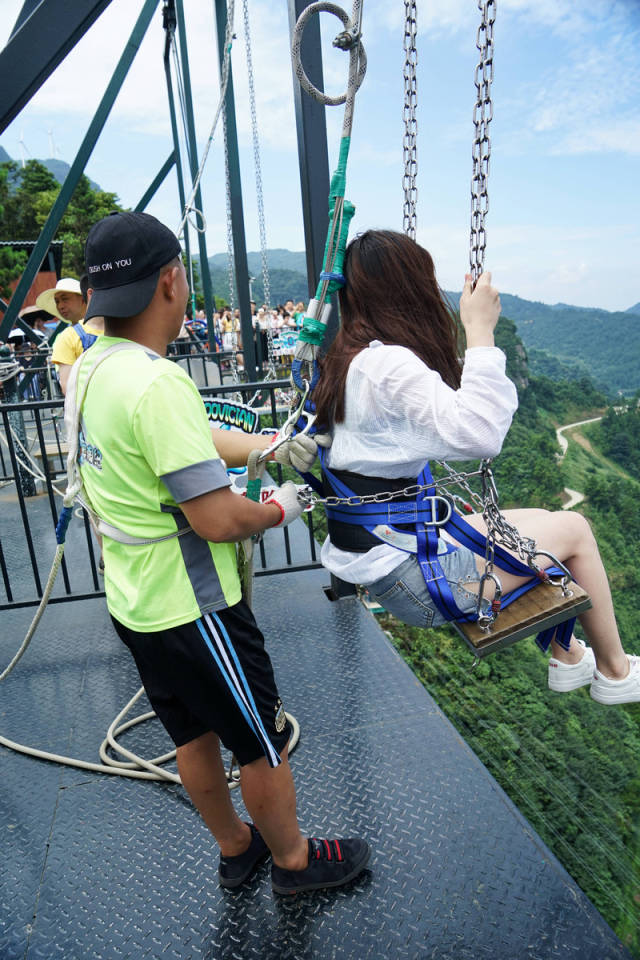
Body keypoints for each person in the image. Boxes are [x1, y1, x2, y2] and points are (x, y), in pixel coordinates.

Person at [70, 210, 370, 895]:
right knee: (259, 737)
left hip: (134, 599)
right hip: (194, 606)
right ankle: (294, 863)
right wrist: (278, 509)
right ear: (173, 281)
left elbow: (181, 438)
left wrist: (261, 447)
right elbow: (214, 520)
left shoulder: (91, 369)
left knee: (190, 734)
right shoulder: (157, 383)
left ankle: (239, 848)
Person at [312, 229, 639, 705]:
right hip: (416, 578)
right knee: (576, 531)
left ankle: (568, 658)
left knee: (549, 525)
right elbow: (481, 435)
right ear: (411, 289)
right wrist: (481, 330)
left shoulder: (348, 357)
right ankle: (616, 672)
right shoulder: (387, 366)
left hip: (392, 555)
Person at [45, 275, 104, 395]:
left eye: (65, 299)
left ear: (83, 298)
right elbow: (67, 387)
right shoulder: (65, 337)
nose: (60, 306)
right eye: (57, 301)